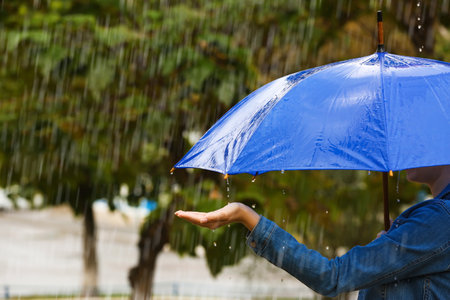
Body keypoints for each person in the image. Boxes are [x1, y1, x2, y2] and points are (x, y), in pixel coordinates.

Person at [175, 165, 450, 299]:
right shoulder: (433, 219)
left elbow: (332, 277)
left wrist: (246, 217)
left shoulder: (439, 220)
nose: (407, 144)